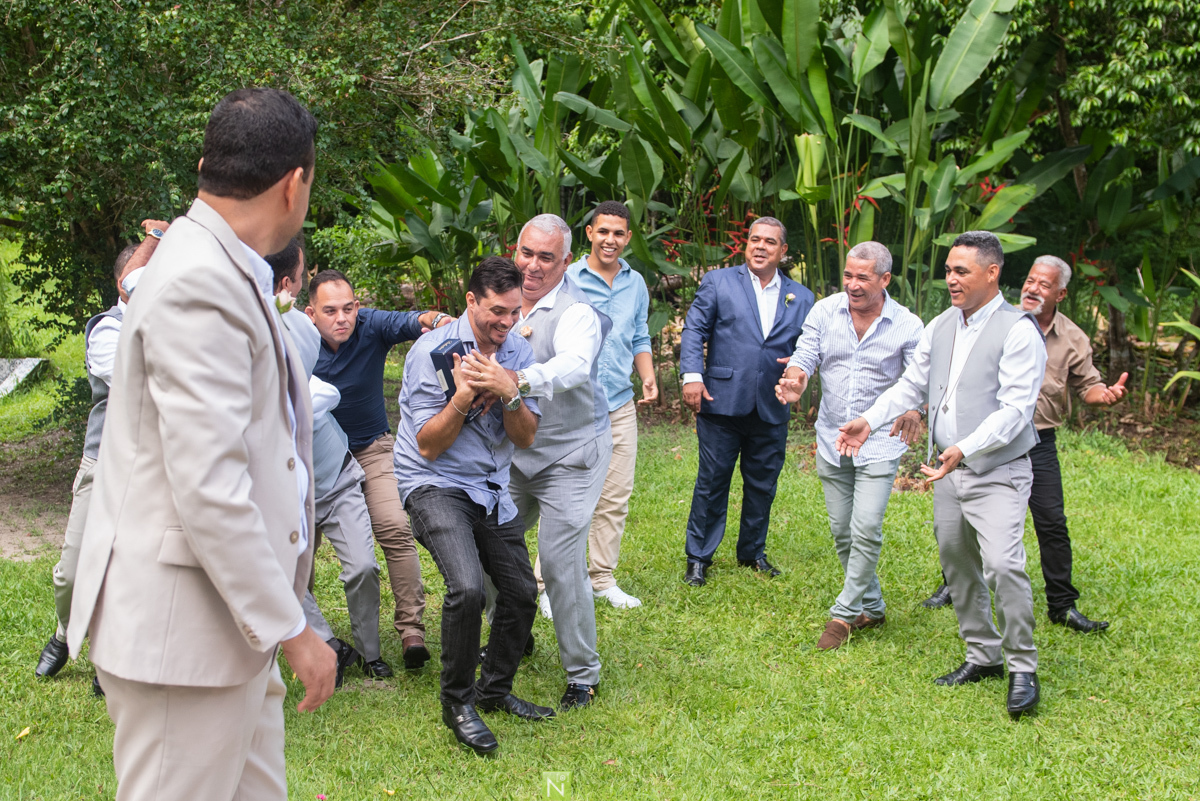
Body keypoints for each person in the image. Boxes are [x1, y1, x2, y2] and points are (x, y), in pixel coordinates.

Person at [68, 88, 336, 798]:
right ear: (294, 184)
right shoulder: (200, 282)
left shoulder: (215, 260)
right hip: (181, 638)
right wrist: (293, 629)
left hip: (226, 633)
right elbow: (209, 488)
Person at [837, 231, 1047, 720]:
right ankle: (983, 655)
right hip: (947, 472)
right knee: (957, 563)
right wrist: (870, 419)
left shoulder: (1019, 330)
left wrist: (964, 447)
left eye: (961, 271)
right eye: (948, 270)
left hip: (997, 469)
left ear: (992, 273)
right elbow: (911, 384)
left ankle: (1022, 666)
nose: (950, 279)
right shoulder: (941, 324)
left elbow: (1016, 411)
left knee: (1003, 566)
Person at [395, 256, 550, 756]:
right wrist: (462, 398)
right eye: (496, 311)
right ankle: (458, 704)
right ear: (471, 301)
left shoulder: (519, 351)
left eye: (514, 311)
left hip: (489, 486)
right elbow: (427, 446)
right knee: (466, 588)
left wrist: (509, 392)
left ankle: (494, 691)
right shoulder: (431, 352)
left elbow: (525, 438)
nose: (507, 322)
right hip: (434, 482)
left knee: (521, 591)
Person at [34, 222, 168, 689]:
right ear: (124, 283)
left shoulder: (173, 326)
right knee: (72, 572)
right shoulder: (107, 329)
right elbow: (135, 378)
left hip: (155, 469)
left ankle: (109, 660)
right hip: (103, 466)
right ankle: (64, 630)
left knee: (137, 569)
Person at [775, 241, 924, 650]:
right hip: (832, 437)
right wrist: (796, 379)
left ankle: (843, 614)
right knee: (843, 531)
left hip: (879, 441)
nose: (853, 285)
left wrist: (915, 409)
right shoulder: (825, 311)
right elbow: (805, 354)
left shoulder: (908, 325)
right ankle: (872, 607)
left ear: (885, 279)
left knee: (866, 527)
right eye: (848, 275)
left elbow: (919, 378)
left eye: (863, 277)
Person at [307, 269, 451, 670]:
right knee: (300, 549)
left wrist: (441, 321)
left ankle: (411, 631)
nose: (342, 318)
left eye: (348, 308)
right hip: (314, 458)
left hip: (370, 449)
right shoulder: (296, 341)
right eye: (330, 311)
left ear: (358, 307)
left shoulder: (370, 325)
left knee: (394, 526)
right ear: (310, 313)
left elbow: (417, 320)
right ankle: (311, 635)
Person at [267, 238, 391, 684]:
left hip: (334, 475)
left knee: (363, 566)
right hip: (280, 492)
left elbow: (320, 393)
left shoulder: (297, 329)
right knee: (281, 573)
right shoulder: (230, 334)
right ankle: (328, 646)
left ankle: (371, 652)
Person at [531, 200, 657, 612]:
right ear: (589, 233)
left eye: (619, 233)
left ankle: (602, 578)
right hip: (571, 408)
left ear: (628, 237)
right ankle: (545, 585)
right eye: (603, 231)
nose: (610, 239)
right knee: (560, 498)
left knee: (615, 497)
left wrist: (648, 375)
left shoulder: (635, 283)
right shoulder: (566, 277)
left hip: (618, 403)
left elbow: (639, 335)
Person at [509, 213, 613, 710]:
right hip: (513, 453)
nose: (532, 265)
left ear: (566, 261)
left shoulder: (577, 312)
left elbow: (573, 366)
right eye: (526, 253)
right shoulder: (502, 297)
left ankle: (582, 675)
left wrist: (518, 380)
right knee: (488, 544)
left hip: (571, 453)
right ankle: (514, 632)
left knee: (558, 560)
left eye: (546, 257)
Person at [679, 217, 814, 586]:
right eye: (755, 239)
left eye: (769, 242)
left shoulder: (802, 297)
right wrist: (692, 376)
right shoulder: (719, 282)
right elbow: (694, 329)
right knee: (712, 481)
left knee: (763, 483)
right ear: (746, 244)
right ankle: (698, 557)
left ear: (783, 251)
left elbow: (808, 347)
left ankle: (752, 552)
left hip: (773, 403)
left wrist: (800, 372)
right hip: (721, 399)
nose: (760, 247)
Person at [1017, 255, 1126, 631]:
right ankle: (953, 585)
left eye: (1044, 285)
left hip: (1039, 441)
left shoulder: (1073, 337)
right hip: (992, 439)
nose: (1033, 289)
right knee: (971, 517)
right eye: (1030, 280)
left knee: (1052, 521)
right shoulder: (999, 321)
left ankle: (1062, 605)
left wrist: (1105, 396)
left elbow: (1088, 387)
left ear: (1060, 294)